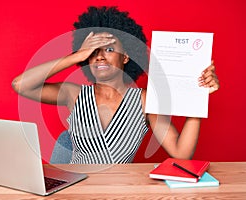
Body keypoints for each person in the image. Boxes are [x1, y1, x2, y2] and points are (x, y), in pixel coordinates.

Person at [12, 6, 220, 164]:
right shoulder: (73, 94)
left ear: (126, 56)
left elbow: (181, 154)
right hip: (74, 190)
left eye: (109, 50)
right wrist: (76, 56)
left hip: (118, 190)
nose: (100, 57)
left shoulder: (145, 100)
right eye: (94, 51)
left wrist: (198, 96)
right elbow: (21, 84)